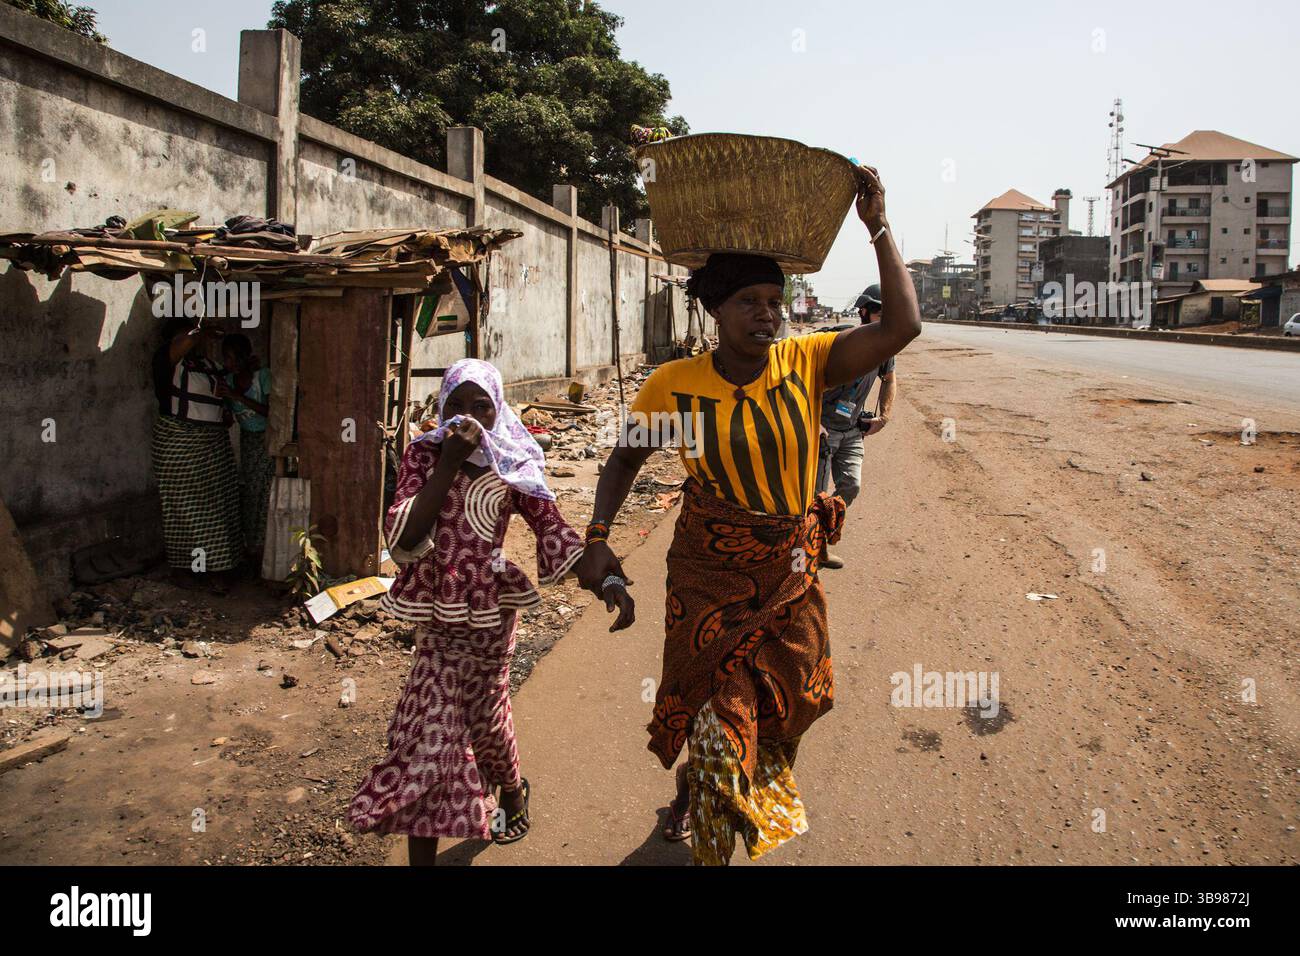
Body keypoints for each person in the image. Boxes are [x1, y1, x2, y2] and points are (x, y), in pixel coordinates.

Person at [574, 165, 921, 864]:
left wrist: (878, 227)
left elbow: (903, 325)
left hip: (790, 575)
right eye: (749, 301)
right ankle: (708, 818)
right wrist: (598, 538)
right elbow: (623, 463)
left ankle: (701, 785)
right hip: (709, 578)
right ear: (715, 310)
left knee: (788, 709)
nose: (767, 313)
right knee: (720, 739)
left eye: (774, 300)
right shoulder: (674, 388)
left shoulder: (808, 361)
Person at [348, 359, 585, 866]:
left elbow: (552, 527)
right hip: (435, 617)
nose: (466, 417)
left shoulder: (514, 461)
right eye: (455, 405)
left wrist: (603, 575)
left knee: (486, 718)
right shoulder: (423, 455)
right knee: (432, 731)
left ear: (497, 410)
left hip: (492, 613)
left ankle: (513, 790)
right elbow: (404, 537)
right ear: (440, 409)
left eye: (480, 406)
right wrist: (449, 463)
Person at [150, 318, 243, 593]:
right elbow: (184, 343)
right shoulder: (166, 362)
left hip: (213, 445)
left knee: (220, 506)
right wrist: (200, 331)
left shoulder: (209, 367)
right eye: (185, 336)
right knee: (186, 509)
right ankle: (192, 570)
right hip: (180, 444)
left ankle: (219, 565)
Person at [815, 283, 898, 568]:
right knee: (815, 493)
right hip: (821, 428)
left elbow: (889, 380)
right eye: (881, 314)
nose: (887, 321)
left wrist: (883, 417)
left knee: (850, 485)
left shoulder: (886, 348)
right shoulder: (836, 340)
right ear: (864, 311)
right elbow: (801, 376)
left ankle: (821, 538)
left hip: (851, 430)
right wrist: (812, 421)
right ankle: (808, 550)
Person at [215, 334, 273, 566]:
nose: (227, 363)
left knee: (267, 494)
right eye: (225, 358)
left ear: (242, 357)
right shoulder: (228, 380)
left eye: (230, 358)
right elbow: (229, 419)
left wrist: (237, 397)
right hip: (248, 440)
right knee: (251, 493)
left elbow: (271, 412)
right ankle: (252, 549)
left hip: (267, 439)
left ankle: (266, 550)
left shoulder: (262, 377)